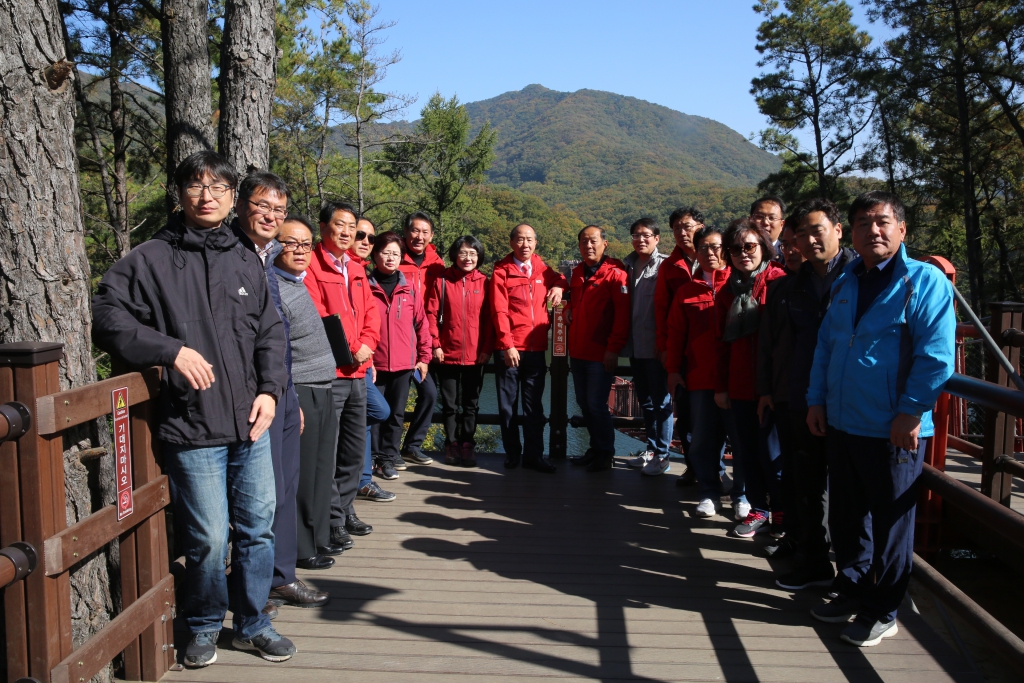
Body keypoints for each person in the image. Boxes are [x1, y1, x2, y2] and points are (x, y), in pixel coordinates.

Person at [91, 151, 295, 666]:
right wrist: (169, 351)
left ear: (231, 198)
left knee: (258, 527)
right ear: (180, 193)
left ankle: (253, 623)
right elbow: (105, 313)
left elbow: (270, 333)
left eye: (219, 188)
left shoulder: (244, 256)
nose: (208, 196)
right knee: (208, 536)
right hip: (192, 423)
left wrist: (270, 390)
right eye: (196, 186)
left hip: (251, 422)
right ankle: (203, 624)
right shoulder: (150, 258)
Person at [807, 191, 955, 647]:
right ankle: (851, 586)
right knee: (847, 515)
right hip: (844, 419)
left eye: (882, 221)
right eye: (863, 222)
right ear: (850, 232)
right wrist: (816, 400)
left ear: (901, 230)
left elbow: (936, 356)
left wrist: (911, 411)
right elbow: (827, 346)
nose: (873, 230)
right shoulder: (847, 281)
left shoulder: (923, 281)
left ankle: (883, 608)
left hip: (894, 427)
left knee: (892, 524)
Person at [231, 173, 330, 616]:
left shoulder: (268, 259)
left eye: (279, 210)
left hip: (280, 392)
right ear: (241, 206)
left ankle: (281, 577)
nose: (271, 216)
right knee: (260, 494)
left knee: (285, 488)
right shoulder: (230, 253)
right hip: (251, 395)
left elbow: (277, 335)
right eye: (262, 206)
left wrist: (285, 393)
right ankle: (251, 586)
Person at [761, 199, 855, 589]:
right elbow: (778, 345)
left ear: (838, 229)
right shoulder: (791, 286)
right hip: (803, 396)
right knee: (807, 482)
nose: (809, 239)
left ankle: (858, 579)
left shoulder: (859, 277)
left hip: (853, 399)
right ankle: (814, 561)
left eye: (817, 229)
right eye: (801, 233)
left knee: (851, 490)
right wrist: (773, 391)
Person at [304, 201, 379, 552]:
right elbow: (319, 317)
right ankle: (332, 520)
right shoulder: (312, 266)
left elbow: (371, 314)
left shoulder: (358, 268)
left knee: (353, 451)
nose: (348, 232)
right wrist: (351, 349)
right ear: (323, 229)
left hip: (359, 372)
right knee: (328, 451)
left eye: (352, 226)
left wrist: (366, 344)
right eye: (340, 225)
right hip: (331, 373)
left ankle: (346, 509)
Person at [273, 216, 344, 573]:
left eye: (305, 244)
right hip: (302, 389)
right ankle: (302, 547)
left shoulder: (297, 283)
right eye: (291, 243)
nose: (300, 251)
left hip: (323, 386)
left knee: (321, 468)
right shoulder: (275, 289)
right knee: (302, 476)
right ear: (274, 245)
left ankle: (317, 537)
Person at [714, 219, 787, 538]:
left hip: (774, 386)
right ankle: (759, 509)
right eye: (736, 248)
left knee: (774, 454)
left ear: (764, 247)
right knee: (747, 451)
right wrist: (721, 386)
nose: (743, 253)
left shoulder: (779, 282)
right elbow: (720, 342)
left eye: (750, 246)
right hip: (740, 383)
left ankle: (782, 517)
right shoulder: (727, 291)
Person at [666, 226, 743, 519]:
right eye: (704, 248)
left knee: (741, 441)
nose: (710, 253)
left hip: (737, 379)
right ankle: (709, 492)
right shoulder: (688, 291)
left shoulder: (739, 285)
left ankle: (742, 495)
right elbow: (675, 335)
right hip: (700, 378)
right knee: (702, 441)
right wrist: (673, 370)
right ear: (696, 252)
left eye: (716, 247)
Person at [490, 224, 566, 472]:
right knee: (507, 406)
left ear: (536, 243)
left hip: (535, 349)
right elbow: (499, 311)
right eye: (520, 240)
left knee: (534, 407)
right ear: (511, 243)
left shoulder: (543, 269)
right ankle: (513, 453)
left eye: (530, 239)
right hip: (510, 349)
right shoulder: (502, 272)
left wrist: (559, 286)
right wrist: (507, 345)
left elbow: (561, 278)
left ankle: (534, 456)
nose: (525, 244)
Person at [368, 232, 433, 479]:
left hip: (404, 364)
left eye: (395, 253)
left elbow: (422, 324)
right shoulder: (366, 286)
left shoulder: (409, 289)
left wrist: (424, 357)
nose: (391, 258)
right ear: (375, 256)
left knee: (396, 415)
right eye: (386, 252)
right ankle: (372, 458)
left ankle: (388, 458)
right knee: (375, 414)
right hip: (375, 363)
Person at [566, 226, 630, 473]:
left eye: (593, 241)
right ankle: (595, 449)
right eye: (583, 242)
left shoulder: (616, 274)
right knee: (584, 403)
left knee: (596, 404)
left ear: (605, 244)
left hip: (601, 354)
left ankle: (606, 453)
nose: (588, 246)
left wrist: (613, 349)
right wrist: (570, 305)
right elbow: (575, 300)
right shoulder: (578, 272)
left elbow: (622, 317)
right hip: (578, 352)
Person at [426, 235, 494, 467]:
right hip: (447, 353)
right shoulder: (442, 281)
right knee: (450, 404)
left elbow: (489, 320)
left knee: (471, 404)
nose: (468, 258)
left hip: (477, 355)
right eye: (463, 253)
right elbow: (431, 315)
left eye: (473, 254)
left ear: (479, 256)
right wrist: (435, 344)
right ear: (455, 255)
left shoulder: (485, 282)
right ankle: (451, 443)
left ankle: (467, 444)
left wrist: (487, 349)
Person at [654, 207, 705, 484]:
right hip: (680, 347)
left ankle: (715, 471)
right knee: (684, 413)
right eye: (676, 228)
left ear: (700, 226)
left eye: (687, 226)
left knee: (713, 413)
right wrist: (663, 346)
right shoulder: (669, 265)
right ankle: (694, 467)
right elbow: (661, 309)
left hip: (711, 347)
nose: (682, 232)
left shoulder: (718, 255)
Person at [621, 218, 673, 476]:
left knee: (663, 403)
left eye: (646, 235)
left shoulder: (664, 266)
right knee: (647, 402)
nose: (640, 239)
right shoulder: (627, 266)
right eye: (636, 235)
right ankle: (652, 450)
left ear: (657, 238)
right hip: (635, 346)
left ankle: (662, 455)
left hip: (656, 347)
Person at [349, 217, 396, 503]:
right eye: (360, 235)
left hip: (363, 363)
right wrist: (357, 348)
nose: (366, 241)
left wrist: (369, 356)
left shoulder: (360, 273)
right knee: (375, 412)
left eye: (371, 237)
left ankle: (362, 480)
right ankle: (353, 480)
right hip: (345, 366)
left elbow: (369, 319)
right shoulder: (340, 270)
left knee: (368, 417)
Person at [396, 212, 446, 467]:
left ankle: (412, 446)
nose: (419, 236)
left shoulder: (437, 266)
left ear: (431, 236)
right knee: (396, 398)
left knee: (428, 393)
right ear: (406, 233)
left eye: (425, 232)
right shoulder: (394, 259)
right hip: (397, 340)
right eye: (415, 231)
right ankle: (387, 451)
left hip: (423, 342)